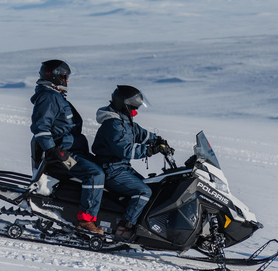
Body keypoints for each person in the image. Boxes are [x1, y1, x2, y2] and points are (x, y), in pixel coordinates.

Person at [30, 59, 105, 234]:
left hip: (71, 151)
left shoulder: (55, 96)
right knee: (94, 174)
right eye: (64, 76)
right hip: (62, 155)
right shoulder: (49, 97)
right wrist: (53, 150)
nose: (67, 80)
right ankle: (85, 221)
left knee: (103, 168)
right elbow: (40, 127)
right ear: (55, 77)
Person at [92, 85, 173, 240]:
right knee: (143, 191)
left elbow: (139, 132)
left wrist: (157, 140)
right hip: (111, 169)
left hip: (121, 167)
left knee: (150, 185)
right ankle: (124, 229)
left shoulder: (124, 120)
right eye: (133, 106)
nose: (136, 110)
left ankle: (137, 223)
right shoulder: (113, 124)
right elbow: (124, 150)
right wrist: (151, 150)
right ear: (124, 103)